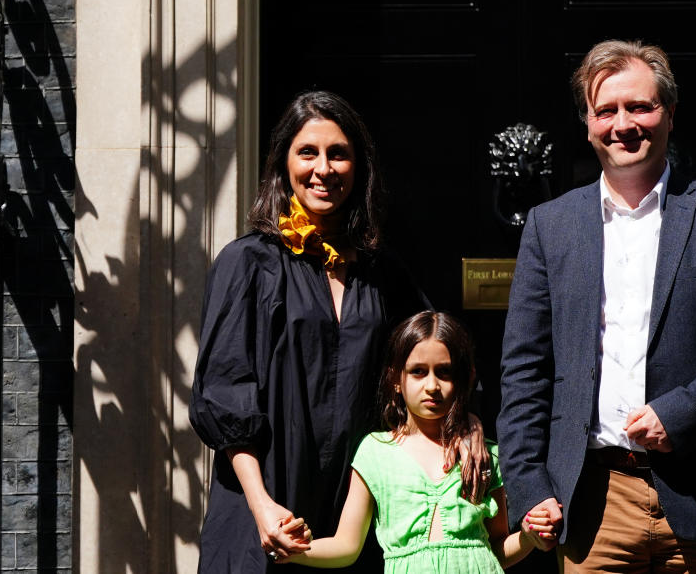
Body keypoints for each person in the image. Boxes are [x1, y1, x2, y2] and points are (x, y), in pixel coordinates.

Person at [496, 40, 696, 573]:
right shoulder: (550, 225)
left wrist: (680, 413)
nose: (622, 123)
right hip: (592, 504)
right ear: (587, 124)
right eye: (605, 110)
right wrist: (529, 484)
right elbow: (525, 368)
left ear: (670, 115)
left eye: (640, 106)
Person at [189, 91, 488, 572]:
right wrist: (261, 506)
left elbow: (435, 356)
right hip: (265, 502)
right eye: (307, 152)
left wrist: (467, 421)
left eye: (338, 153)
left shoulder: (381, 271)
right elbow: (224, 393)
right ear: (283, 163)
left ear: (358, 167)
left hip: (356, 507)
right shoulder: (247, 264)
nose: (323, 169)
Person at [287, 311, 554, 572]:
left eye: (444, 372)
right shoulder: (375, 452)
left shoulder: (483, 455)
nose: (432, 385)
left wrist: (528, 537)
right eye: (418, 372)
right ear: (396, 380)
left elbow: (496, 550)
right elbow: (346, 545)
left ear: (465, 378)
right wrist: (295, 551)